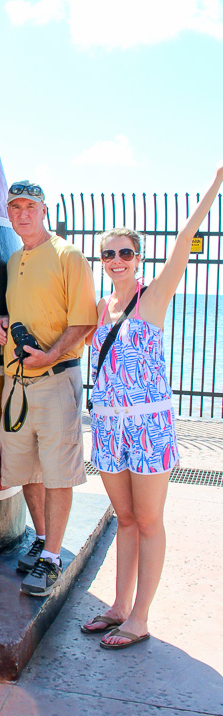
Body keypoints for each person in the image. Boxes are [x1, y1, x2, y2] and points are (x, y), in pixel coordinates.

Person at [81, 161, 223, 650]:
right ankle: (119, 606)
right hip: (107, 427)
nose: (116, 259)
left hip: (149, 428)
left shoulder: (153, 299)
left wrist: (214, 186)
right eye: (108, 253)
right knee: (123, 520)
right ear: (101, 260)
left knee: (149, 521)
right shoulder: (101, 308)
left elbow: (185, 242)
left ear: (138, 258)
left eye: (124, 252)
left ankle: (140, 617)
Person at [0, 180, 97, 596]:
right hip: (17, 383)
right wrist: (1, 321)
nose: (22, 214)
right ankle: (41, 538)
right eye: (15, 207)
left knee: (58, 472)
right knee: (25, 469)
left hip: (56, 379)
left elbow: (85, 320)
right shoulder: (14, 258)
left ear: (43, 209)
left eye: (29, 207)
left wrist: (50, 355)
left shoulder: (68, 254)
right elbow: (20, 309)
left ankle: (53, 558)